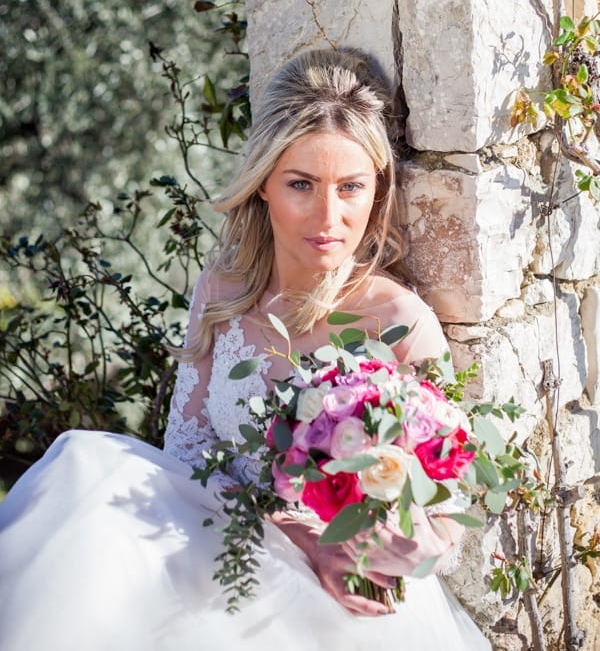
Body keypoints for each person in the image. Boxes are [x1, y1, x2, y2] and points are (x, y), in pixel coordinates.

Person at [0, 48, 491, 650]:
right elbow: (186, 449)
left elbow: (448, 515)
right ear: (262, 185)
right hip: (220, 535)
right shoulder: (226, 286)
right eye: (301, 184)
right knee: (84, 474)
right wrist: (297, 532)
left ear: (377, 188)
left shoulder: (399, 321)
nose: (329, 216)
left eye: (352, 187)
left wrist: (377, 548)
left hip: (337, 595)